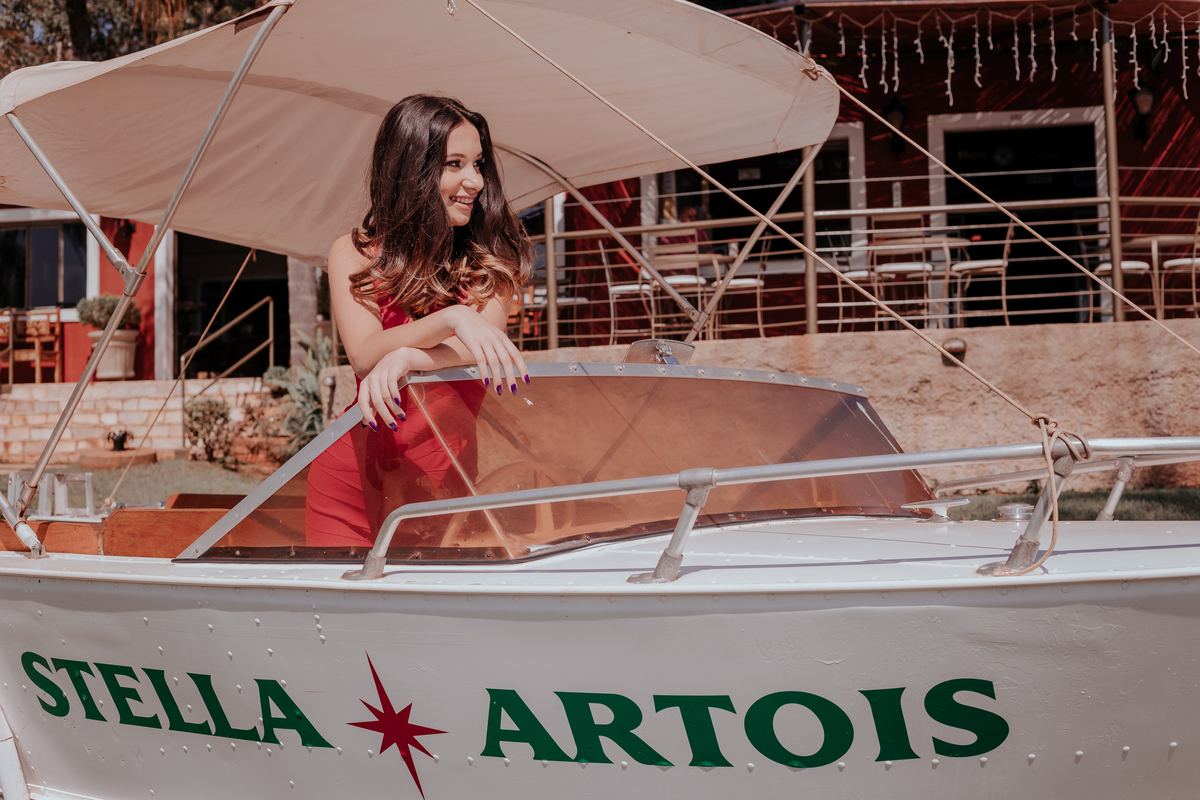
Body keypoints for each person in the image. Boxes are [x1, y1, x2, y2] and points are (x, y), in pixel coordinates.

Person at [305, 94, 533, 548]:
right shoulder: (353, 253)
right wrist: (452, 317)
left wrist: (409, 356)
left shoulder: (493, 262)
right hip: (350, 483)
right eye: (455, 164)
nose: (474, 180)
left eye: (478, 164)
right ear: (412, 171)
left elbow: (479, 348)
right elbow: (367, 355)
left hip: (441, 482)